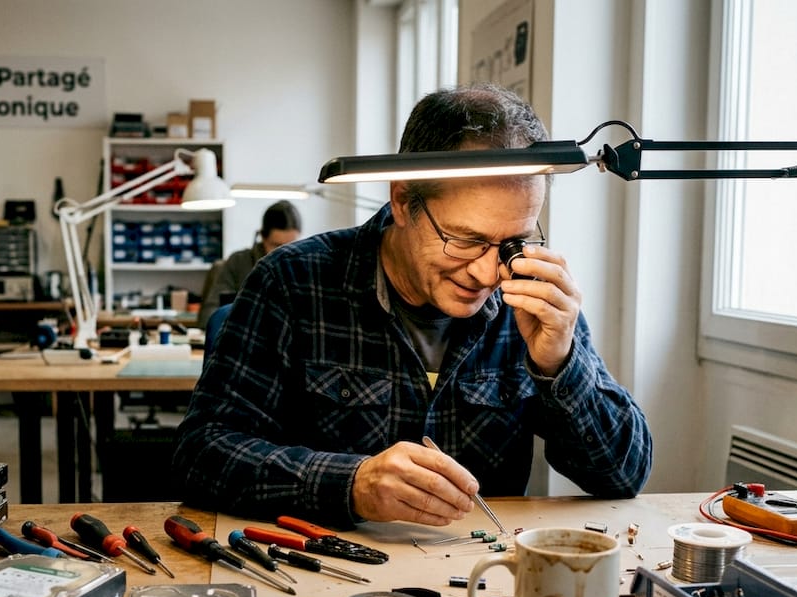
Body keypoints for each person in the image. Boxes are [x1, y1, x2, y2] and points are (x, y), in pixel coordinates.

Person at [174, 84, 652, 528]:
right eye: (465, 240)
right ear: (403, 200)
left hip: (480, 579)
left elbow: (624, 476)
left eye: (512, 242)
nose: (488, 274)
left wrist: (559, 363)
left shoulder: (529, 292)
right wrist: (351, 484)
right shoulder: (292, 282)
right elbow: (202, 455)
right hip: (327, 573)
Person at [197, 200, 303, 328]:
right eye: (277, 246)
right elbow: (211, 314)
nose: (285, 252)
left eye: (292, 245)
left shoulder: (303, 266)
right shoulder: (238, 262)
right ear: (263, 237)